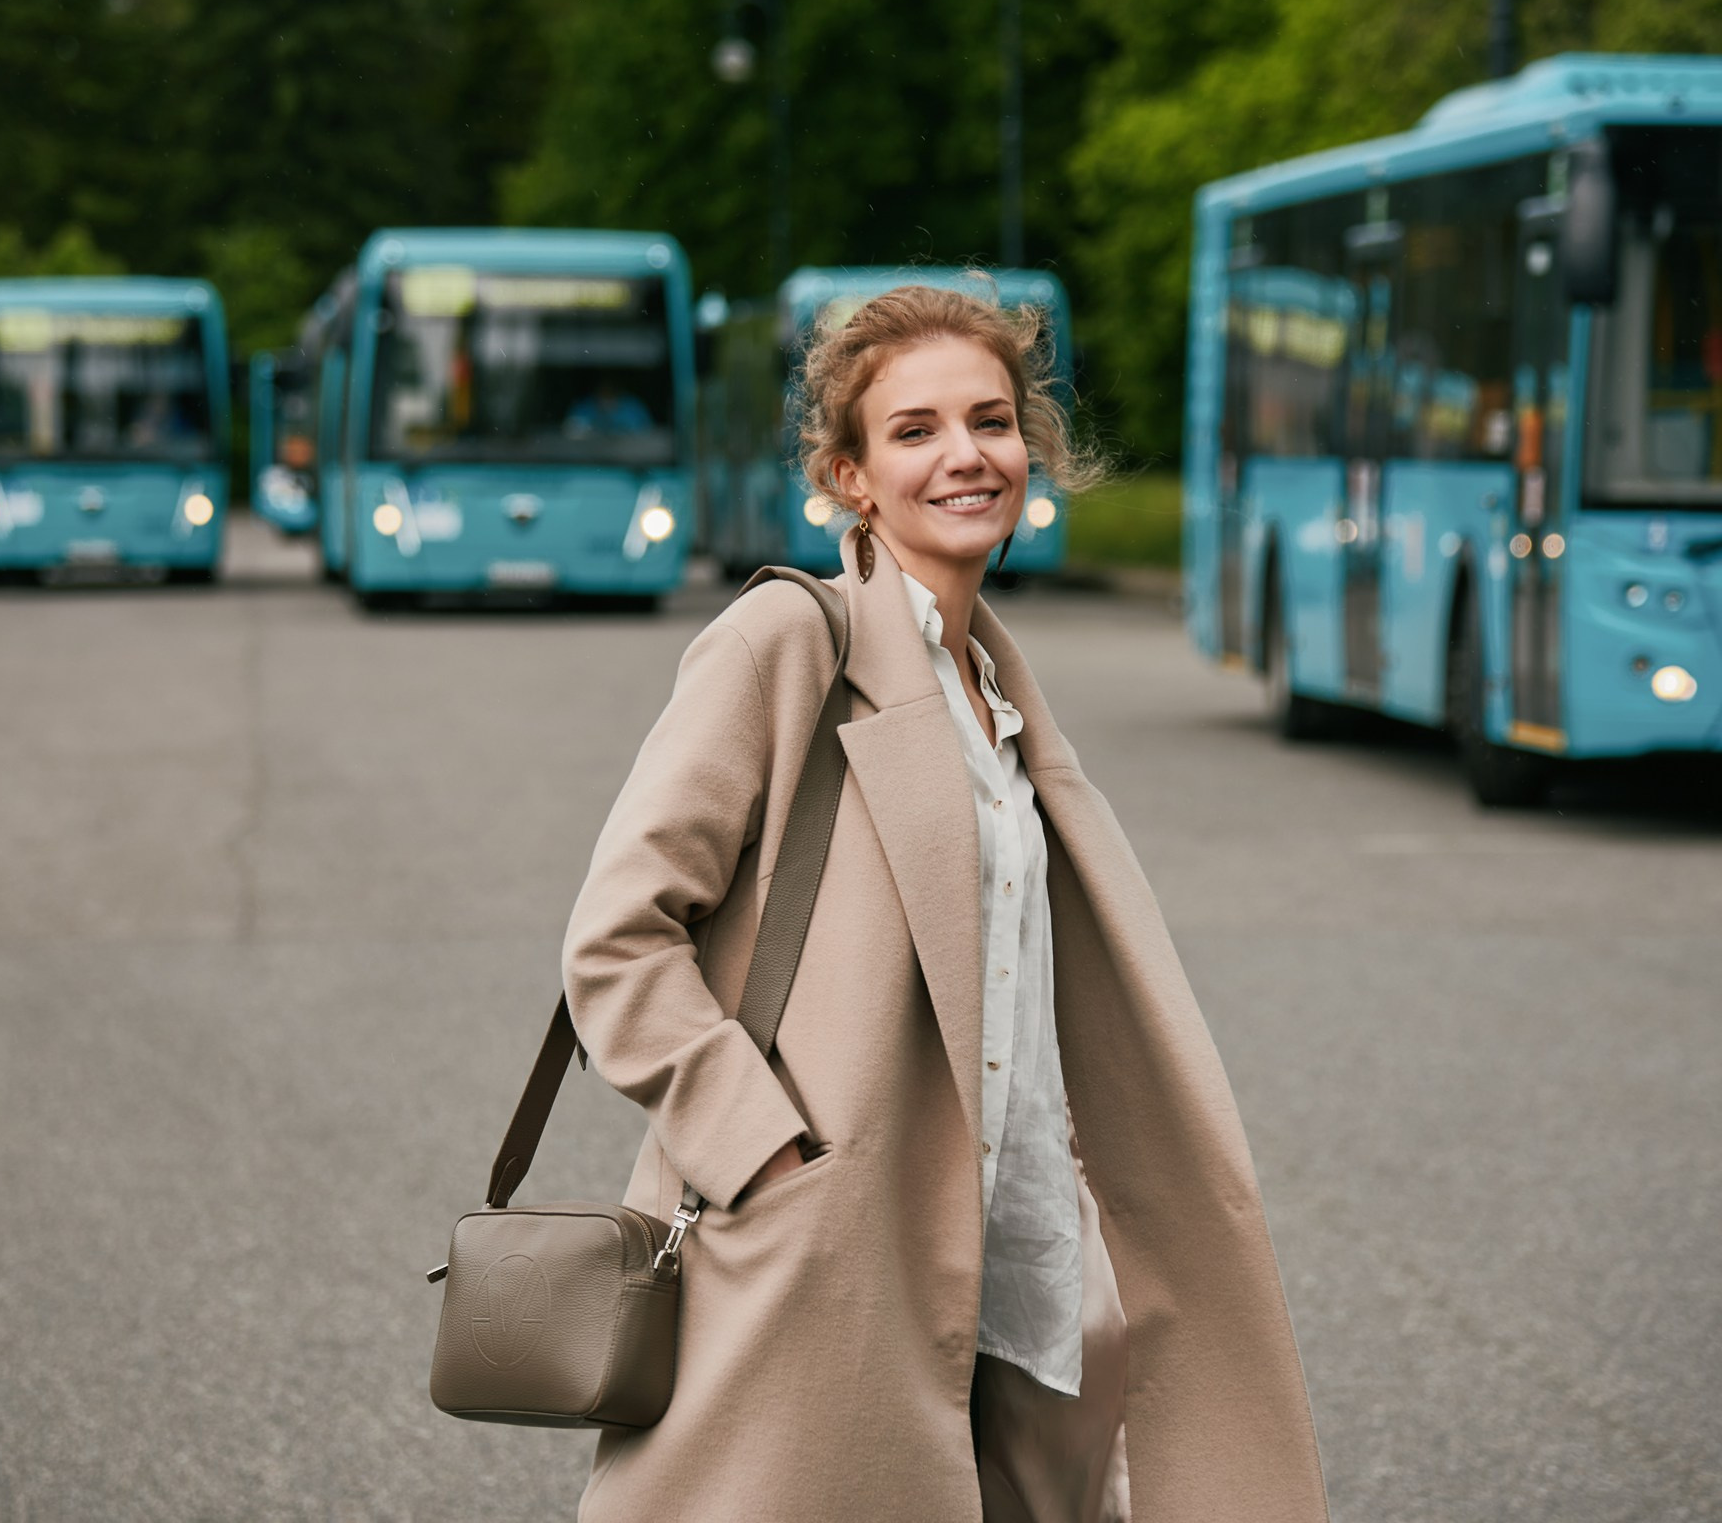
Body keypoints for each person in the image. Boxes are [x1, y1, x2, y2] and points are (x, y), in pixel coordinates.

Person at [561, 281, 1327, 1522]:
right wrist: (763, 1152)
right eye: (913, 431)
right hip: (832, 1242)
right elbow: (615, 942)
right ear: (851, 476)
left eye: (989, 420)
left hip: (1019, 1246)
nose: (964, 456)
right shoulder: (783, 642)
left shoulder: (992, 682)